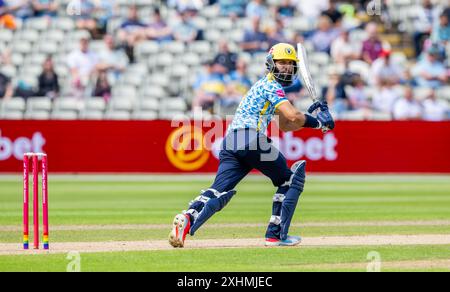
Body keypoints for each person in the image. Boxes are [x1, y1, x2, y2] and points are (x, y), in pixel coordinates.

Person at [169, 43, 335, 248]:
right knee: (290, 180)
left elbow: (285, 125)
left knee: (219, 190)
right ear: (271, 64)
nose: (286, 67)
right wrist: (319, 122)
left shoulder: (264, 87)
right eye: (281, 63)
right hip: (250, 139)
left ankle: (187, 218)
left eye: (290, 64)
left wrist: (315, 121)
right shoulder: (271, 85)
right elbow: (293, 115)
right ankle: (275, 235)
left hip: (231, 142)